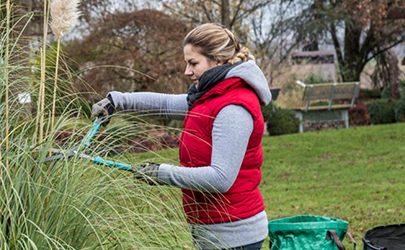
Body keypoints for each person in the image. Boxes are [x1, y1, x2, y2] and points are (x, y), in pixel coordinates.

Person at [91, 23, 272, 250]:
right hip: (212, 230)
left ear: (217, 60)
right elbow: (166, 104)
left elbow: (221, 178)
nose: (187, 71)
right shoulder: (209, 97)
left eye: (193, 63)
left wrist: (162, 173)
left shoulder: (233, 107)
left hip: (235, 236)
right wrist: (117, 100)